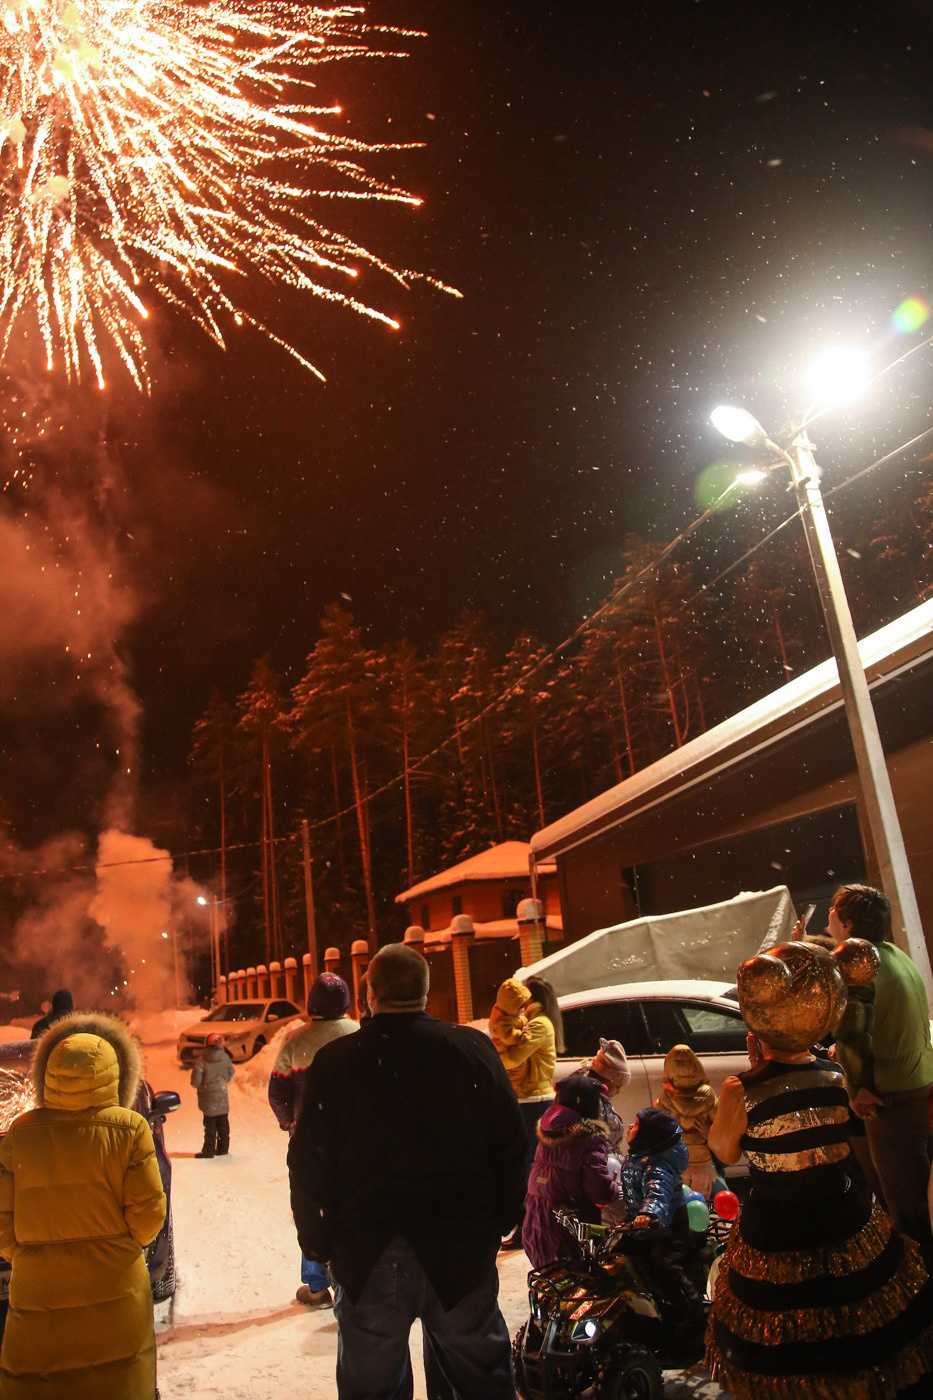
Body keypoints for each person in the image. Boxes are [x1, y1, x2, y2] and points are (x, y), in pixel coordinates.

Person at [288, 942, 527, 1400]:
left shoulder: (337, 1064)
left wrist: (317, 1241)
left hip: (368, 1255)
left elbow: (308, 1162)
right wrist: (500, 1219)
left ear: (369, 994)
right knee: (480, 1382)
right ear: (426, 993)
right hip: (460, 1250)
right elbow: (512, 1144)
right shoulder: (470, 1050)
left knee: (373, 1388)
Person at [706, 938, 933, 1400]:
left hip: (779, 1226)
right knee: (860, 1312)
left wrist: (754, 1078)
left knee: (786, 1332)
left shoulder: (740, 1091)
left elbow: (726, 1152)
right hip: (845, 1216)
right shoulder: (834, 1075)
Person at [0, 1011, 166, 1399]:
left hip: (39, 1293)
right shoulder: (130, 1129)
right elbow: (148, 1217)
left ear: (47, 1073)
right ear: (117, 1073)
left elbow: (4, 1229)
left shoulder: (20, 1135)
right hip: (116, 1290)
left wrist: (32, 1255)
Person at [826, 883, 933, 1250]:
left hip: (892, 1096)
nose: (828, 916)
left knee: (906, 1204)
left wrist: (858, 1091)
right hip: (916, 1082)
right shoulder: (894, 954)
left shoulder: (858, 960)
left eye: (833, 911)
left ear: (848, 924)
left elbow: (852, 1033)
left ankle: (921, 1288)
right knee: (916, 1194)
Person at [268, 971, 358, 1307]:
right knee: (351, 1204)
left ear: (311, 1004)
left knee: (312, 1208)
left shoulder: (295, 1041)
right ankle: (354, 1274)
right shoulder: (360, 1033)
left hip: (310, 1143)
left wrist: (290, 1123)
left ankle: (318, 1286)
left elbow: (277, 1091)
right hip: (353, 1139)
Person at [522, 1072, 622, 1269]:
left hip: (535, 1223)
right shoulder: (589, 1140)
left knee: (550, 1285)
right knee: (577, 1290)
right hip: (566, 1228)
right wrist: (616, 1188)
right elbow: (599, 1191)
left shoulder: (549, 1131)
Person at [495, 973, 564, 1249]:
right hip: (527, 1099)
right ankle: (525, 1226)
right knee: (526, 1166)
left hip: (534, 1101)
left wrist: (496, 1052)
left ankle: (528, 1227)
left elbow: (514, 1058)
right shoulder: (535, 1023)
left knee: (529, 1167)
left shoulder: (539, 1025)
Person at [654, 1044, 720, 1198]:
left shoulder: (665, 1097)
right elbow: (721, 1128)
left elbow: (656, 1128)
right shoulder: (708, 1097)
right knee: (701, 1202)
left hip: (676, 1158)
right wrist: (709, 1134)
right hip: (702, 1161)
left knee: (678, 1202)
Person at [190, 1031, 235, 1158]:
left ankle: (208, 1151)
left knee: (210, 1125)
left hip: (208, 1097)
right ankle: (223, 1148)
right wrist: (223, 1081)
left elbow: (195, 1082)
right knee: (223, 1124)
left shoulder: (202, 1061)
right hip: (222, 1095)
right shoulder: (226, 1058)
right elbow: (231, 1072)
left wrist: (202, 1085)